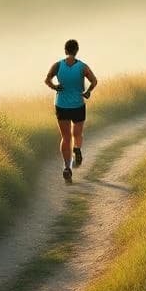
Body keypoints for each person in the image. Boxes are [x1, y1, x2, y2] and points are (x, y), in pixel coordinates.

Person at [44, 39, 97, 184]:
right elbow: (94, 81)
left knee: (65, 137)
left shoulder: (57, 65)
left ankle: (67, 167)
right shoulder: (83, 67)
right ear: (77, 50)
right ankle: (77, 149)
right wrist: (88, 92)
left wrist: (55, 87)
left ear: (65, 50)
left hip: (61, 105)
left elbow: (47, 80)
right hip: (78, 105)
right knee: (77, 134)